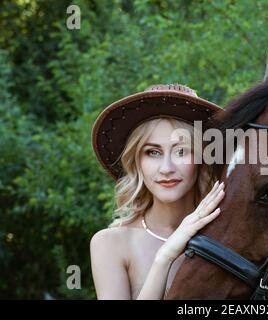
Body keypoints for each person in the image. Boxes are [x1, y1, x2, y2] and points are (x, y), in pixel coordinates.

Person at [90, 84, 223, 299]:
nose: (167, 168)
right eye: (153, 152)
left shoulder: (227, 238)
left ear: (201, 159)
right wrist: (165, 257)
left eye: (181, 151)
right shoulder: (111, 243)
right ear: (137, 161)